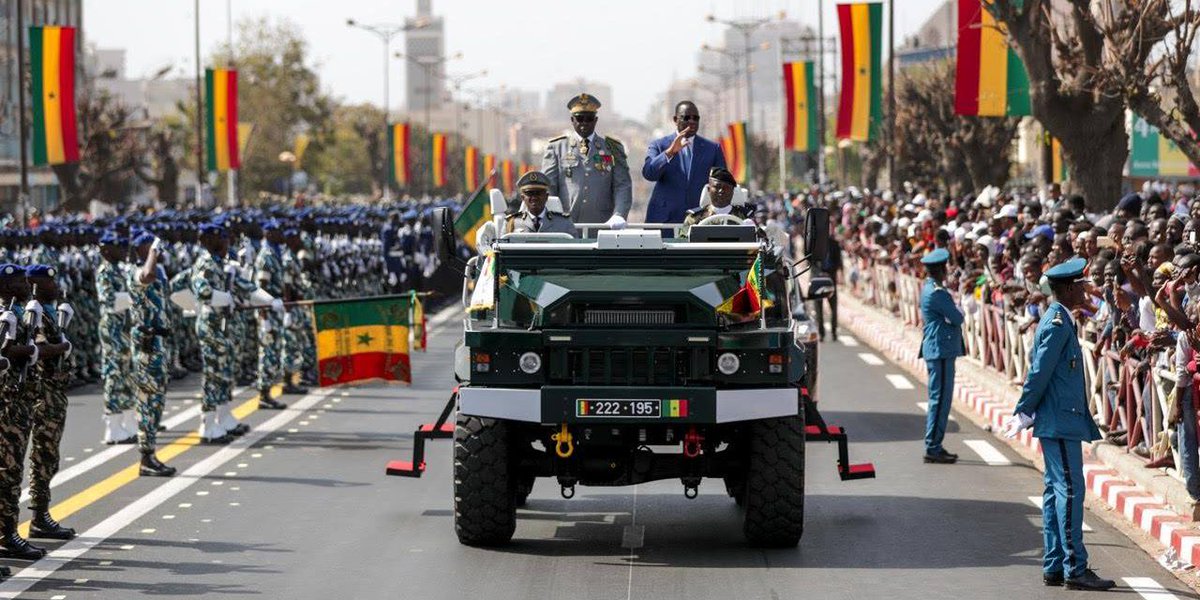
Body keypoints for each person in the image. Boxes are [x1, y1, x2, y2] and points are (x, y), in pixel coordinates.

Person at [1004, 257, 1115, 592]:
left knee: (1055, 493)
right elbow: (1039, 372)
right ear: (1067, 288)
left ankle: (1054, 564)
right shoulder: (1056, 324)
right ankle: (1074, 567)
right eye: (1080, 283)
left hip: (1060, 419)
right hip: (1059, 421)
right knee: (1069, 492)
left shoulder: (1059, 319)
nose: (1085, 288)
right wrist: (1024, 410)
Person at [24, 264, 76, 540]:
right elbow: (38, 349)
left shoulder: (47, 312)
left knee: (49, 456)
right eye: (49, 283)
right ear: (35, 284)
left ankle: (40, 514)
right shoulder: (35, 313)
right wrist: (61, 347)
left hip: (53, 392)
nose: (55, 287)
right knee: (43, 456)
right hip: (42, 394)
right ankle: (39, 517)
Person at [0, 264, 44, 561]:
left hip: (19, 401)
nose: (24, 282)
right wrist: (27, 351)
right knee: (6, 470)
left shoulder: (19, 312)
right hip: (6, 403)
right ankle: (7, 535)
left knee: (12, 470)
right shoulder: (5, 315)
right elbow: (5, 351)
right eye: (16, 280)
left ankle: (9, 532)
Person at [126, 232, 176, 477]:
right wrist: (153, 253)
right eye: (149, 245)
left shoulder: (160, 270)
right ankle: (146, 458)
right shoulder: (134, 271)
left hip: (159, 341)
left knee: (156, 401)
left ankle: (151, 453)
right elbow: (147, 276)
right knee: (147, 400)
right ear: (140, 249)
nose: (156, 248)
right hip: (146, 342)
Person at [541, 93, 632, 227]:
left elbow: (622, 185)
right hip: (565, 223)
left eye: (589, 118)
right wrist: (551, 217)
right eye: (579, 118)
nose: (584, 123)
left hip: (602, 224)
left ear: (595, 120)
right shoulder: (557, 148)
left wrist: (619, 215)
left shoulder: (612, 148)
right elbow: (548, 187)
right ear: (572, 120)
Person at [642, 100, 728, 223]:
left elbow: (723, 183)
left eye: (696, 118)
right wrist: (670, 152)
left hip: (700, 219)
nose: (692, 121)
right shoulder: (659, 145)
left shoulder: (713, 149)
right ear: (675, 119)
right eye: (686, 118)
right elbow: (649, 173)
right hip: (664, 219)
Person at [919, 248, 963, 464]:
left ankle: (934, 444)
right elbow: (957, 317)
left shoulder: (931, 288)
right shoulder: (937, 292)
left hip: (938, 347)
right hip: (941, 349)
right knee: (940, 400)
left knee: (939, 399)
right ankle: (933, 446)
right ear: (941, 269)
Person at [94, 232, 137, 444]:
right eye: (118, 247)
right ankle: (112, 426)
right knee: (113, 373)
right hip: (112, 328)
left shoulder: (118, 270)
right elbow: (109, 300)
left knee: (126, 372)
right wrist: (134, 298)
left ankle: (127, 422)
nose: (122, 251)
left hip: (123, 327)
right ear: (107, 250)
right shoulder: (105, 272)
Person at [504, 171, 578, 237]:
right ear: (523, 198)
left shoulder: (563, 222)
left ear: (546, 196)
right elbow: (501, 249)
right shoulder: (512, 223)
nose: (534, 197)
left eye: (538, 193)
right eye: (530, 193)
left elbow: (575, 250)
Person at [679, 167, 750, 236]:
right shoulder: (694, 218)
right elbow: (682, 244)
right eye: (717, 187)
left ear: (732, 191)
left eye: (726, 188)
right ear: (709, 189)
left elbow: (756, 244)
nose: (721, 191)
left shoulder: (745, 217)